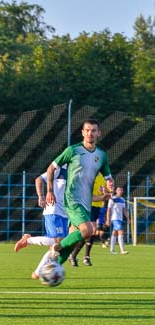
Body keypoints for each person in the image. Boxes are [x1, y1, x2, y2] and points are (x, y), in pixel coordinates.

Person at [38, 118, 112, 279]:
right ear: (82, 132)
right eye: (87, 130)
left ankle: (47, 272)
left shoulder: (101, 155)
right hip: (72, 200)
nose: (90, 133)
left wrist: (110, 183)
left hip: (86, 203)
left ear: (99, 133)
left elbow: (108, 177)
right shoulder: (73, 150)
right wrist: (49, 191)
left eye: (93, 130)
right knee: (89, 229)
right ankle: (55, 248)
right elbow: (51, 168)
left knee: (73, 243)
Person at [14, 165, 68, 280]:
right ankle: (27, 240)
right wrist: (41, 196)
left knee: (57, 246)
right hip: (53, 209)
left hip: (65, 213)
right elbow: (39, 179)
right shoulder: (60, 168)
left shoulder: (78, 172)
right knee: (57, 241)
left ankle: (38, 273)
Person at [67, 173, 112, 267]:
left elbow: (104, 195)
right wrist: (102, 197)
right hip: (87, 207)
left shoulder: (101, 177)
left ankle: (80, 256)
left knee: (91, 233)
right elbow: (87, 197)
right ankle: (78, 256)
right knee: (87, 232)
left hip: (97, 208)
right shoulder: (86, 176)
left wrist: (105, 194)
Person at [107, 185, 129, 255]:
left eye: (121, 190)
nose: (120, 191)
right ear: (116, 191)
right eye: (119, 190)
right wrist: (108, 219)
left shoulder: (123, 200)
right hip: (115, 218)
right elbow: (109, 210)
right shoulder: (112, 199)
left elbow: (124, 210)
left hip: (120, 218)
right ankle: (122, 250)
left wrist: (128, 218)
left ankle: (112, 249)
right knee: (121, 231)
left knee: (114, 232)